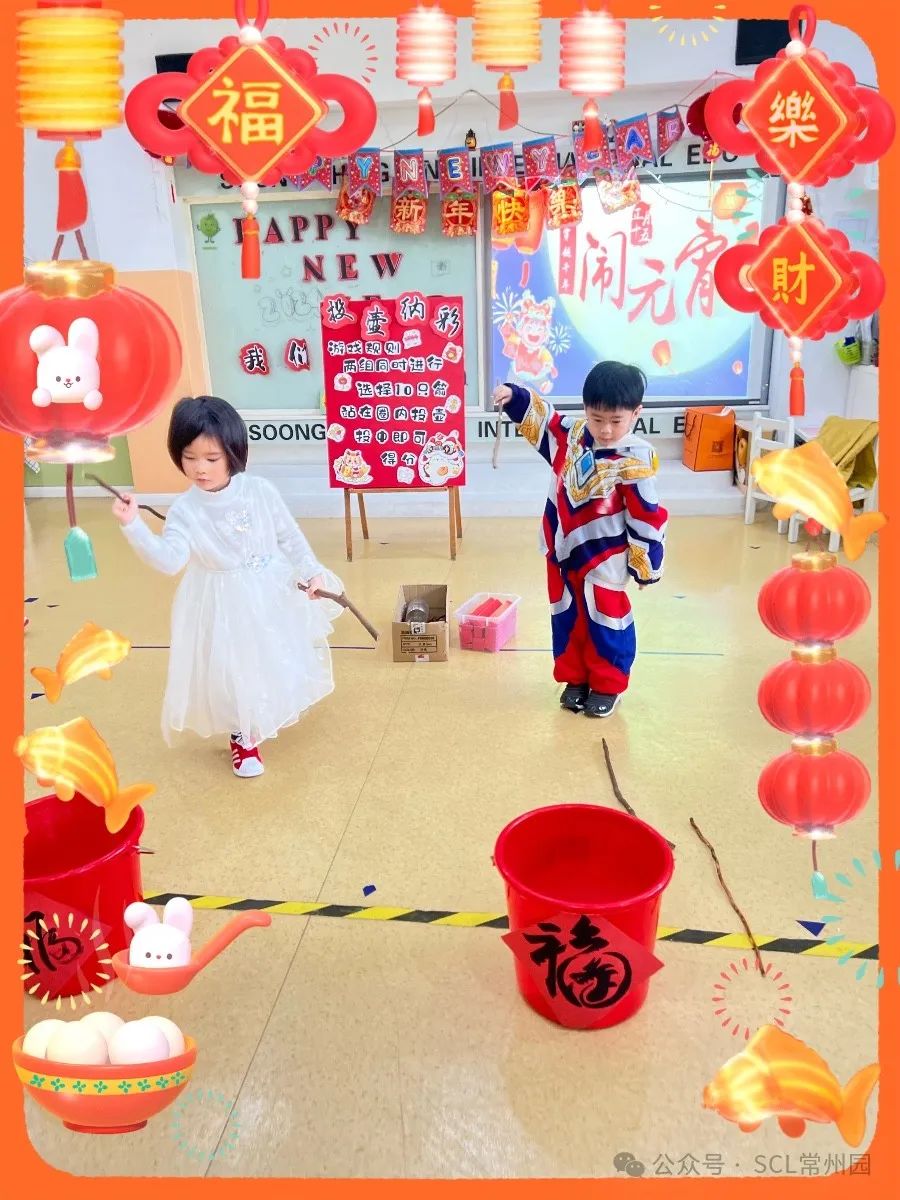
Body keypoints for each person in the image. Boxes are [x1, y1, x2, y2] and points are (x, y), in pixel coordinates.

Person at [113, 395, 343, 777]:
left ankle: (265, 710)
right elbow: (169, 560)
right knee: (233, 666)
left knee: (272, 653)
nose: (199, 468)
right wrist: (133, 526)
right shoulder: (185, 510)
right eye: (189, 457)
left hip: (270, 588)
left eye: (211, 458)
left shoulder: (259, 491)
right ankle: (242, 735)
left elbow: (289, 535)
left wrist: (311, 570)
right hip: (220, 600)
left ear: (233, 452)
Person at [493, 361, 668, 718]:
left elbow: (647, 515)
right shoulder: (572, 437)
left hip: (605, 557)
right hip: (561, 551)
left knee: (606, 620)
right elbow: (545, 422)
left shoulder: (635, 459)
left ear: (636, 413)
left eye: (616, 421)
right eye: (597, 418)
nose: (606, 430)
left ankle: (608, 684)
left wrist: (645, 565)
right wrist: (515, 397)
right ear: (586, 409)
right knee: (565, 616)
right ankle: (575, 678)